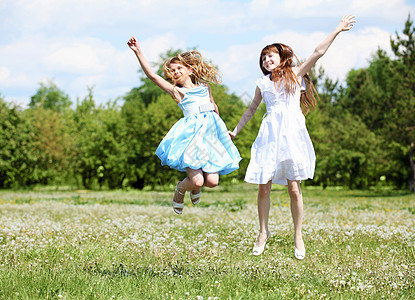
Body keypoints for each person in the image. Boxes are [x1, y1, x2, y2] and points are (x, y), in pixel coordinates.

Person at [229, 15, 356, 259]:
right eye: (263, 57)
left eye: (271, 55)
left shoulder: (296, 74)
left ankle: (298, 235)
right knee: (263, 188)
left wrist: (337, 30)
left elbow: (318, 52)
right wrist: (235, 130)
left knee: (294, 188)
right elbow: (251, 110)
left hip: (292, 134)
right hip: (269, 135)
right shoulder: (262, 84)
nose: (267, 60)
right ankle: (263, 232)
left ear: (282, 57)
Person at [127, 36, 241, 214]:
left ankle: (196, 188)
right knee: (197, 180)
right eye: (172, 71)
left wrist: (222, 131)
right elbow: (152, 76)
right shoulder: (177, 91)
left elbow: (214, 107)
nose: (176, 72)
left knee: (212, 182)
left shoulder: (204, 87)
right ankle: (181, 189)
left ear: (189, 69)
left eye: (179, 68)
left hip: (211, 136)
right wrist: (138, 52)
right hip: (191, 138)